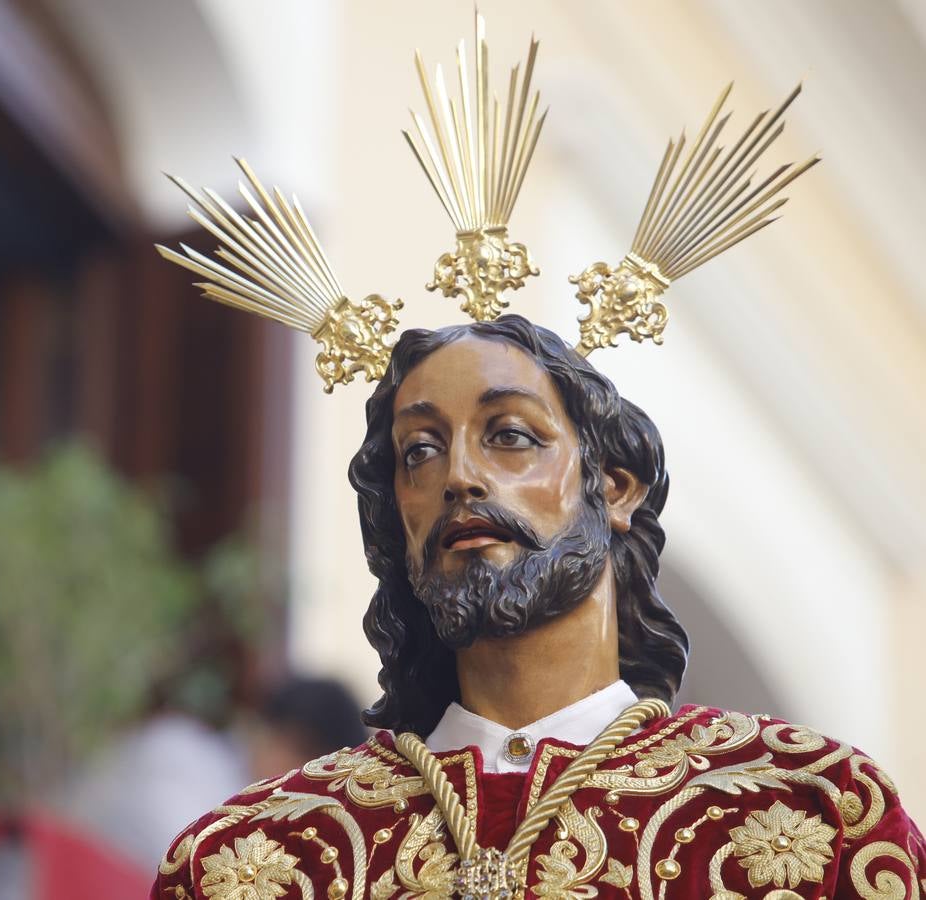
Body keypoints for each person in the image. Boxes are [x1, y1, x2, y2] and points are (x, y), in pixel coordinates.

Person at [150, 12, 921, 899]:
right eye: (419, 453)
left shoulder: (814, 814)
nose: (459, 477)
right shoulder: (262, 858)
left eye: (510, 435)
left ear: (616, 486)